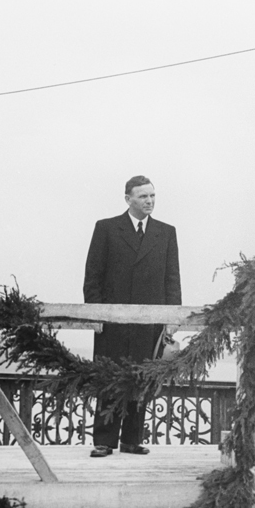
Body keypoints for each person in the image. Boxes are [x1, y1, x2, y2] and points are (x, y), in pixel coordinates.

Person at [83, 175, 182, 458]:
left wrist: (172, 317)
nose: (149, 201)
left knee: (142, 379)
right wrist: (96, 315)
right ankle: (104, 440)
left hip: (149, 323)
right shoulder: (107, 229)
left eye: (152, 196)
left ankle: (131, 440)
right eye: (142, 197)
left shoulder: (166, 232)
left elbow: (172, 279)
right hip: (112, 322)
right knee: (108, 377)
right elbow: (93, 277)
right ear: (128, 199)